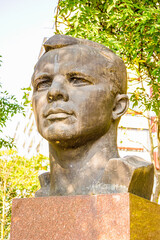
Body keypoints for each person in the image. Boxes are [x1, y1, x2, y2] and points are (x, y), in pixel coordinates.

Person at [31, 35, 153, 199]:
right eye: (43, 83)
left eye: (77, 80)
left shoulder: (134, 176)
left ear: (117, 106)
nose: (53, 92)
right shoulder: (43, 192)